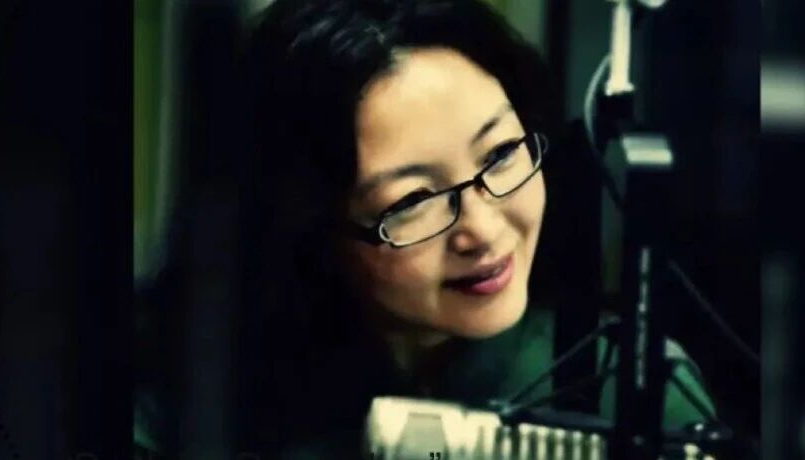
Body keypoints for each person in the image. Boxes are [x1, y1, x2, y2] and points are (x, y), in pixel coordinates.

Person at [134, 0, 717, 457]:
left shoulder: (632, 388)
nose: (483, 230)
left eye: (501, 154)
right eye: (413, 201)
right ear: (309, 226)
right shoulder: (182, 398)